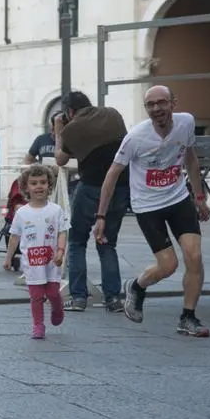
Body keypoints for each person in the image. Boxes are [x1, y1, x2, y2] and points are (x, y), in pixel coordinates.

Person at [94, 85, 210, 337]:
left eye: (162, 102)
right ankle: (137, 286)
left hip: (178, 198)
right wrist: (101, 216)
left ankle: (188, 317)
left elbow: (190, 158)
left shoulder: (186, 123)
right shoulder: (135, 137)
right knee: (168, 265)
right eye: (150, 105)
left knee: (194, 256)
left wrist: (199, 196)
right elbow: (112, 175)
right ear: (146, 109)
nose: (157, 109)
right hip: (148, 206)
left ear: (173, 103)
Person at [53, 91, 128, 312]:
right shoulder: (113, 114)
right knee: (107, 242)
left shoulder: (71, 129)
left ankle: (78, 298)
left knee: (77, 241)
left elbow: (60, 158)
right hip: (120, 188)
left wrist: (59, 130)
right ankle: (113, 298)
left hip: (92, 189)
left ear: (69, 112)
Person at [5, 164, 68, 339]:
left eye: (43, 182)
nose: (39, 186)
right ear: (26, 187)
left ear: (49, 185)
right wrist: (8, 258)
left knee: (53, 293)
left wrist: (61, 251)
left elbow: (62, 232)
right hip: (31, 264)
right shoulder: (22, 213)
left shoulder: (56, 210)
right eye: (34, 183)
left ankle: (57, 307)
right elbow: (14, 237)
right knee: (36, 297)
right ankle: (38, 325)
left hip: (52, 263)